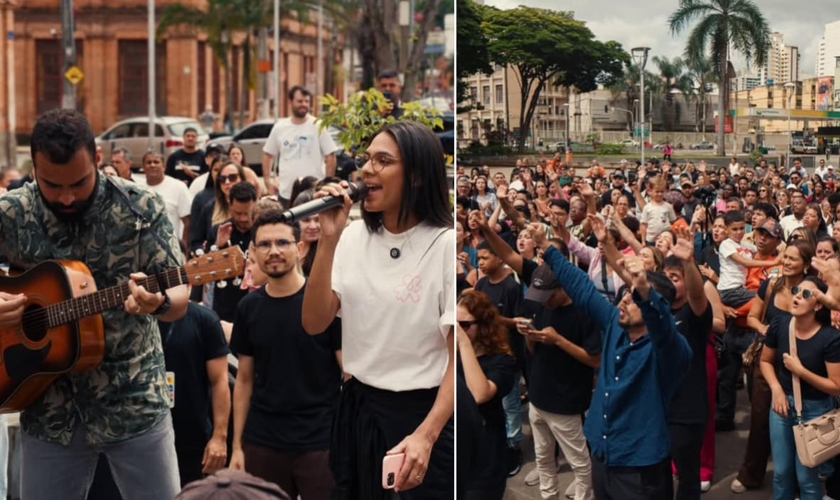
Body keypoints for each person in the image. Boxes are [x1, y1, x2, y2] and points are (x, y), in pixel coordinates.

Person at [0, 109, 188, 499]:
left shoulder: (140, 209)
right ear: (33, 168)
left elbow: (179, 294)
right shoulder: (12, 213)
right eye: (52, 185)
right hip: (48, 410)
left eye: (79, 182)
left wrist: (157, 302)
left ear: (98, 158)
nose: (67, 197)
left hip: (133, 400)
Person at [301, 120, 454, 499]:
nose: (367, 170)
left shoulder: (444, 245)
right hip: (358, 409)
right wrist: (328, 240)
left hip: (421, 414)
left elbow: (458, 361)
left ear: (417, 175)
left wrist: (426, 435)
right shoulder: (352, 236)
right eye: (366, 159)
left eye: (383, 160)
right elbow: (314, 322)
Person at [531, 223, 692, 500]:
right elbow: (582, 288)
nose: (625, 299)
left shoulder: (671, 350)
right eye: (628, 292)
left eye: (635, 297)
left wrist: (645, 291)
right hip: (602, 455)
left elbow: (662, 324)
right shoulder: (615, 324)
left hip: (639, 470)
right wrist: (546, 247)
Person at [229, 209, 342, 500]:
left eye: (282, 242)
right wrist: (237, 446)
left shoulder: (326, 303)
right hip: (263, 440)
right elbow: (244, 380)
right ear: (253, 252)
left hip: (320, 440)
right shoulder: (248, 308)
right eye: (265, 244)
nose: (274, 251)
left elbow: (348, 373)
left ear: (300, 247)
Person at [760, 276, 840, 500]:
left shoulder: (830, 338)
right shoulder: (780, 325)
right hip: (782, 407)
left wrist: (801, 371)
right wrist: (776, 388)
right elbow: (765, 361)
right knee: (781, 473)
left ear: (818, 305)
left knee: (807, 478)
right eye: (796, 290)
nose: (796, 296)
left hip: (816, 410)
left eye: (805, 294)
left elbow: (836, 387)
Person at [161, 296, 231, 487]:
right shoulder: (135, 318)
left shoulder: (204, 319)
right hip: (141, 436)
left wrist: (219, 437)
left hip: (192, 436)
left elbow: (220, 381)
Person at [456, 289, 516, 500]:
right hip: (455, 453)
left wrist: (464, 343)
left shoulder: (502, 360)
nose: (458, 330)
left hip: (485, 460)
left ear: (483, 326)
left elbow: (479, 394)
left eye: (464, 325)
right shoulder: (451, 354)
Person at [261, 86, 339, 203]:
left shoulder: (318, 125)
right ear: (290, 102)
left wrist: (326, 184)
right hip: (286, 194)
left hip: (313, 193)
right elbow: (268, 154)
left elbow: (331, 155)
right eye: (300, 101)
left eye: (306, 101)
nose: (304, 104)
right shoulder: (279, 128)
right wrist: (267, 181)